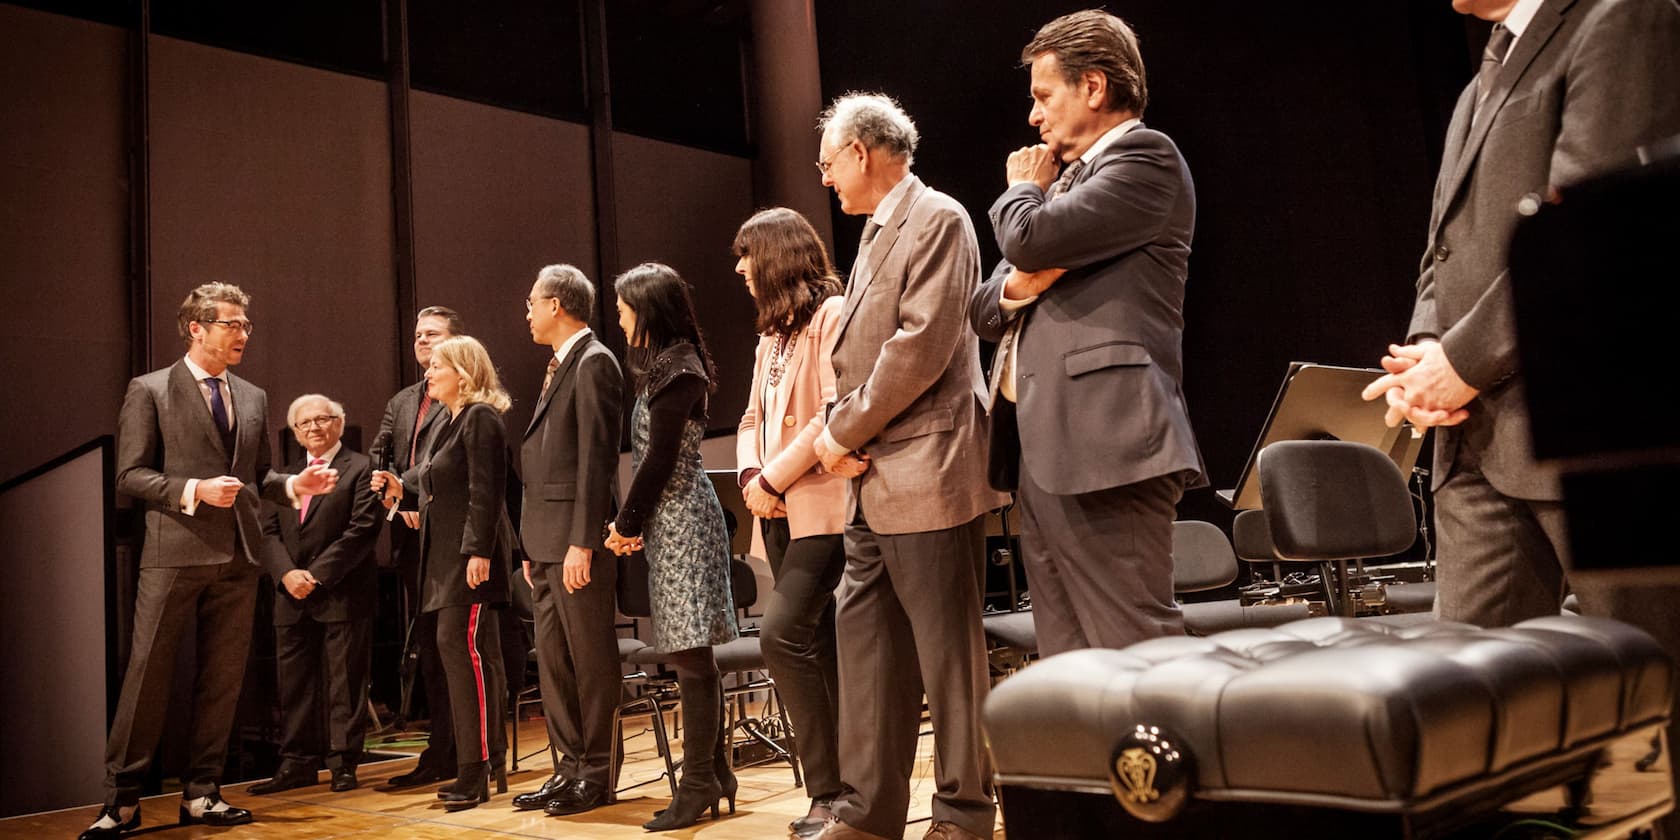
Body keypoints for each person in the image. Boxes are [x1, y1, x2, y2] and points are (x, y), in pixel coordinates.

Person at [1360, 1, 1680, 831]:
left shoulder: (1621, 16)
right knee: (1473, 712)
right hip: (1475, 441)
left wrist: (1459, 363)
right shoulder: (1478, 83)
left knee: (1645, 706)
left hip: (1596, 431)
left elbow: (1597, 226)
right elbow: (1445, 250)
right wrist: (1427, 350)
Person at [967, 9, 1204, 656]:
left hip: (1109, 440)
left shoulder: (1144, 159)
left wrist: (1021, 193)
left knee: (1134, 646)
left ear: (1094, 87)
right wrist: (1020, 282)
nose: (1033, 118)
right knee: (1071, 658)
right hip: (1042, 445)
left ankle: (1172, 762)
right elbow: (984, 309)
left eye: (1044, 96)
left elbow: (1028, 236)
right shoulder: (1063, 184)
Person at [810, 94, 1009, 840]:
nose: (826, 179)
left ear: (861, 151)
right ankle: (867, 815)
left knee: (946, 659)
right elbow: (857, 353)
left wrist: (840, 430)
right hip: (869, 477)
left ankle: (963, 813)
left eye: (829, 164)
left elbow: (919, 350)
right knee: (866, 653)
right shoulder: (873, 233)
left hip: (927, 468)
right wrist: (839, 434)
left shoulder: (939, 218)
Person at [82, 283, 338, 840]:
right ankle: (122, 801)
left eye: (247, 324)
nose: (243, 333)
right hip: (173, 553)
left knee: (223, 683)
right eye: (231, 323)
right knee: (146, 678)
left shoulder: (252, 395)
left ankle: (202, 793)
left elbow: (257, 477)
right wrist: (194, 488)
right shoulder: (149, 390)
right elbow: (128, 475)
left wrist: (296, 483)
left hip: (237, 557)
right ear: (196, 327)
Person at [603, 262, 740, 832]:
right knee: (690, 652)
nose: (618, 315)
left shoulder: (679, 367)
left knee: (688, 654)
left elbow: (658, 459)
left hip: (682, 516)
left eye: (624, 306)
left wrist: (626, 522)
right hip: (671, 518)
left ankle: (701, 781)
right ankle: (716, 772)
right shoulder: (665, 364)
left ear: (648, 309)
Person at [731, 208, 848, 839]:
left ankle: (827, 791)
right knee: (817, 645)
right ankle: (841, 793)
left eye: (747, 255)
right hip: (772, 509)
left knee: (780, 636)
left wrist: (773, 476)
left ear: (776, 256)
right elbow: (749, 418)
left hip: (821, 507)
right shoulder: (768, 338)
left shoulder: (830, 316)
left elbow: (832, 410)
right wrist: (751, 478)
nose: (742, 269)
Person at [372, 335, 514, 812]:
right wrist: (399, 487)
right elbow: (432, 484)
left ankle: (476, 768)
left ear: (464, 372)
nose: (428, 374)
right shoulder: (446, 425)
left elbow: (486, 491)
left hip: (468, 560)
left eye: (437, 366)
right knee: (457, 656)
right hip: (443, 562)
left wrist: (479, 551)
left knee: (466, 656)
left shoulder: (481, 418)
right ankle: (480, 762)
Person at [512, 264, 626, 817]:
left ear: (556, 304)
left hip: (576, 544)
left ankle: (597, 773)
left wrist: (584, 541)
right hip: (546, 543)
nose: (527, 312)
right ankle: (568, 767)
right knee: (554, 662)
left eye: (532, 302)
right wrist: (535, 547)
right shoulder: (559, 366)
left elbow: (596, 460)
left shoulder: (594, 361)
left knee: (589, 660)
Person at [250, 394, 380, 795]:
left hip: (341, 591)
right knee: (294, 684)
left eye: (323, 419)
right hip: (289, 594)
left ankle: (343, 762)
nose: (314, 428)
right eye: (304, 424)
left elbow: (362, 530)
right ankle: (297, 762)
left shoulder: (362, 467)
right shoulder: (284, 477)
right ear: (295, 433)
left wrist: (317, 575)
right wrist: (287, 574)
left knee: (345, 683)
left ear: (339, 423)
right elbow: (266, 532)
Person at [370, 305, 461, 789]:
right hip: (408, 535)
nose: (423, 341)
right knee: (428, 645)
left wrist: (412, 493)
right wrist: (392, 496)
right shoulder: (403, 400)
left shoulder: (465, 395)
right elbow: (380, 453)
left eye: (434, 334)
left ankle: (464, 751)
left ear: (455, 341)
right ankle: (440, 749)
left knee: (455, 648)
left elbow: (446, 460)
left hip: (450, 533)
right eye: (419, 335)